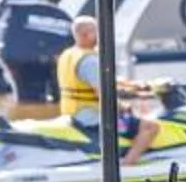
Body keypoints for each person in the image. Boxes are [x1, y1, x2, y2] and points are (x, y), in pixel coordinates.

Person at [57, 17, 154, 167]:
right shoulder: (90, 61)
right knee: (150, 126)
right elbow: (105, 95)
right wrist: (122, 107)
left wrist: (133, 86)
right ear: (85, 35)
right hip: (91, 116)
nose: (100, 35)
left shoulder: (70, 54)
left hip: (73, 112)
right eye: (96, 32)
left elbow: (105, 78)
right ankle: (128, 165)